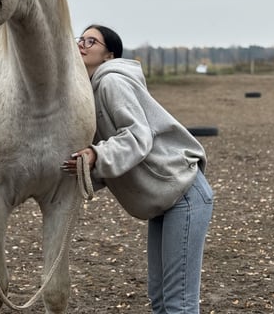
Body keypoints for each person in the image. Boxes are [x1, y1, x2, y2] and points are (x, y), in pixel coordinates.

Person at [62, 24, 213, 314]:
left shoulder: (112, 82)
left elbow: (137, 135)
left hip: (183, 192)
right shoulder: (88, 94)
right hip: (162, 198)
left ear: (109, 55)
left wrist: (96, 155)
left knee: (178, 304)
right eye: (80, 39)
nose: (81, 44)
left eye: (91, 41)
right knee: (161, 300)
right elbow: (111, 162)